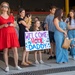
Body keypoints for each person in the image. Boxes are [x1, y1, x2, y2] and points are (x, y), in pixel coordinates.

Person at [0, 2, 22, 72]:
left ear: (8, 8)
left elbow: (15, 25)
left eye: (6, 6)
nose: (5, 8)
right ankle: (7, 66)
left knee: (15, 50)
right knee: (6, 50)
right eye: (4, 6)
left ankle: (16, 65)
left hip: (12, 34)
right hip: (4, 35)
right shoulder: (0, 16)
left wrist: (12, 25)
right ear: (1, 7)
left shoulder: (11, 16)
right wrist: (3, 25)